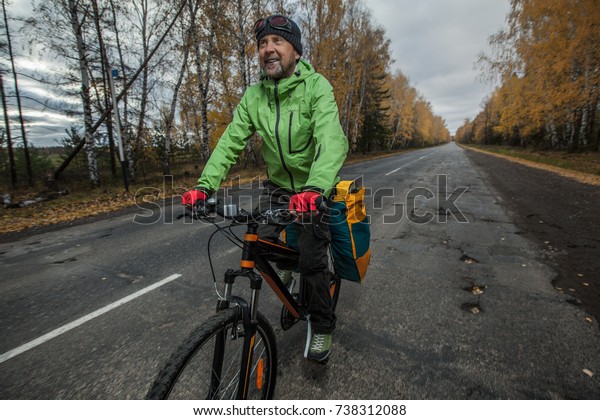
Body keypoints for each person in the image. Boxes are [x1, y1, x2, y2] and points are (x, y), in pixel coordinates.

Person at [182, 14, 348, 362]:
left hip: (312, 189)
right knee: (259, 238)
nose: (268, 49)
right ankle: (283, 266)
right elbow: (230, 143)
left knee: (313, 263)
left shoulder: (316, 87)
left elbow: (332, 140)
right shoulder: (254, 96)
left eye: (277, 42)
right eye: (262, 44)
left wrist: (316, 187)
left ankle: (321, 325)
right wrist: (204, 186)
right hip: (277, 187)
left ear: (296, 52)